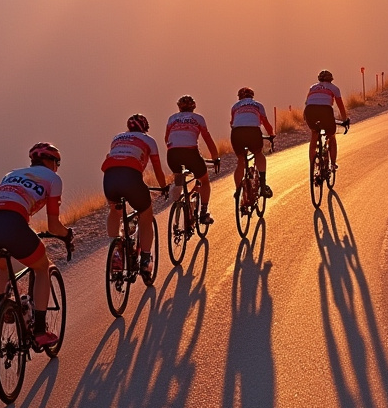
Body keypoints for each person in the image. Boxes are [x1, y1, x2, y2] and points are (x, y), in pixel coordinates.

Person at [0, 143, 71, 349]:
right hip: (12, 224)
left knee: (4, 265)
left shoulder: (11, 174)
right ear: (51, 162)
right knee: (42, 267)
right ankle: (39, 331)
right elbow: (53, 225)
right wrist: (68, 235)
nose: (57, 167)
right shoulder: (53, 179)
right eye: (57, 163)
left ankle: (3, 307)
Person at [102, 114, 168, 280]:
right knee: (146, 215)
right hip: (131, 179)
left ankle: (116, 251)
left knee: (115, 211)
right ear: (145, 128)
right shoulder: (148, 140)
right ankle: (145, 260)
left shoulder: (116, 138)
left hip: (109, 179)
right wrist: (163, 186)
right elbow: (157, 169)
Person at [165, 95, 221, 223]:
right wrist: (215, 157)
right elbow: (207, 138)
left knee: (179, 173)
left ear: (179, 107)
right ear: (193, 107)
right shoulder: (198, 118)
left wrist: (174, 149)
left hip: (172, 153)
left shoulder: (172, 118)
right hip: (191, 152)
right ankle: (203, 213)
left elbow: (166, 139)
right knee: (205, 181)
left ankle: (178, 185)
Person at [230, 87, 275, 206]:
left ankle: (238, 190)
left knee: (240, 161)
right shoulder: (258, 105)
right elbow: (265, 122)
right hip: (253, 131)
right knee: (258, 153)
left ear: (239, 97)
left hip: (237, 133)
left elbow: (232, 123)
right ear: (252, 96)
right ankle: (263, 183)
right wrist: (271, 135)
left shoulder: (235, 106)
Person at [305, 70, 349, 171]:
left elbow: (307, 102)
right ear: (331, 79)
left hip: (310, 110)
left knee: (314, 135)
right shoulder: (334, 88)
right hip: (325, 111)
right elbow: (340, 106)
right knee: (332, 136)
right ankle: (333, 164)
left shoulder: (313, 87)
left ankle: (312, 165)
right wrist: (345, 120)